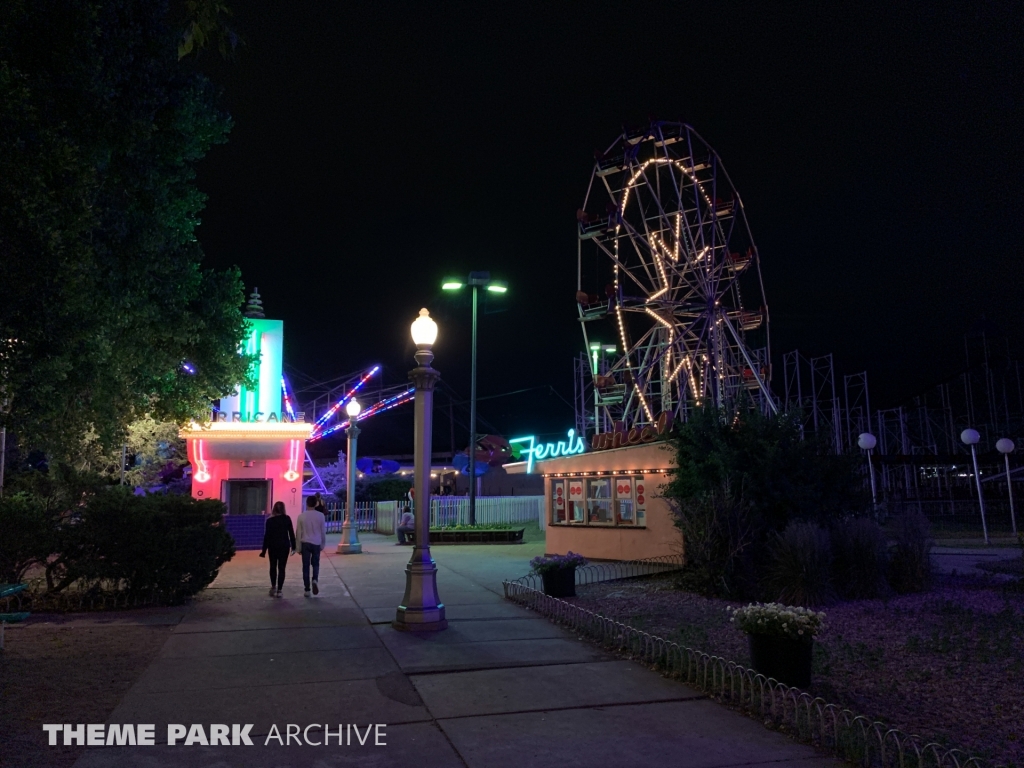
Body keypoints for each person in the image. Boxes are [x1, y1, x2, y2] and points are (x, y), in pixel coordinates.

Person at [259, 501, 295, 598]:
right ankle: (280, 590)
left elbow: (267, 536)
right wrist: (294, 547)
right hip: (284, 546)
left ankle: (273, 587)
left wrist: (263, 550)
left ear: (274, 509)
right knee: (282, 568)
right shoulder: (287, 519)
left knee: (273, 566)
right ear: (283, 509)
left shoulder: (269, 521)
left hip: (273, 546)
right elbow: (291, 533)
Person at [296, 495, 327, 597]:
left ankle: (307, 589)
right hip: (316, 543)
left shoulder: (301, 516)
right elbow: (323, 532)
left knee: (305, 566)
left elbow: (298, 533)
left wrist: (298, 547)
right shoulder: (321, 516)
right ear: (316, 504)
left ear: (306, 503)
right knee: (316, 564)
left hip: (305, 543)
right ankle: (315, 579)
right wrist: (322, 544)